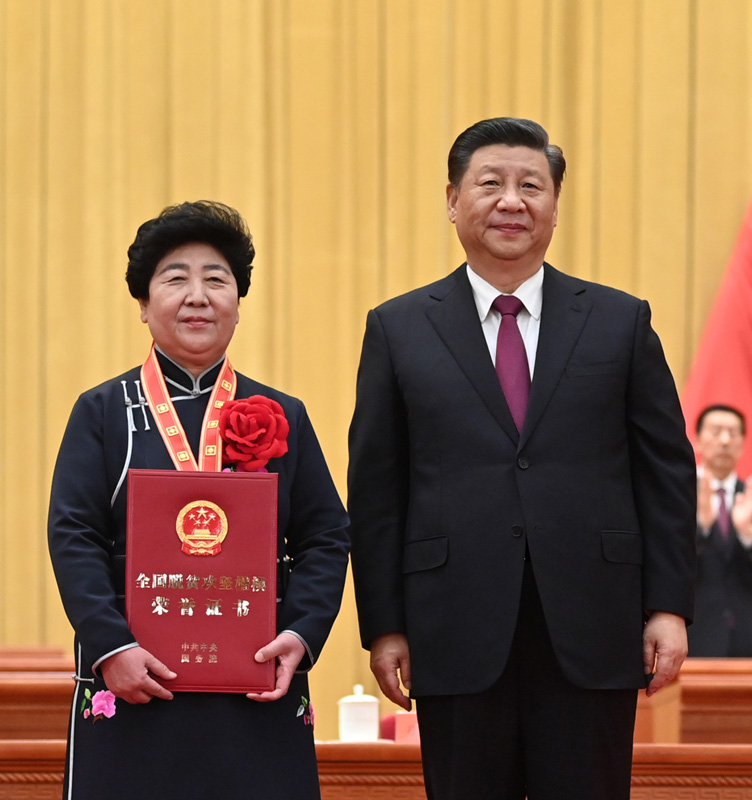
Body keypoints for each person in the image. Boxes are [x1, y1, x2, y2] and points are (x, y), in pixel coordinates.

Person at [347, 118, 696, 800]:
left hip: (594, 623)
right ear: (454, 201)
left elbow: (665, 473)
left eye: (532, 186)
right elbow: (377, 488)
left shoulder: (620, 321)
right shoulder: (398, 328)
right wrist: (384, 625)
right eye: (491, 184)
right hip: (452, 625)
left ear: (555, 206)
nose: (512, 201)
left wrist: (668, 607)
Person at [48, 201, 350, 799]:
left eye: (216, 279)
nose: (197, 296)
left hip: (255, 685)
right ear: (143, 303)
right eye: (175, 279)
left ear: (238, 301)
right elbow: (74, 535)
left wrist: (300, 634)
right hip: (132, 681)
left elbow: (325, 536)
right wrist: (111, 646)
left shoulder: (281, 414)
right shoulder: (102, 412)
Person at [690, 403, 752, 656]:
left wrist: (747, 538)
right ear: (697, 440)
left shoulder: (749, 497)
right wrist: (701, 530)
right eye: (716, 431)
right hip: (694, 637)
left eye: (733, 433)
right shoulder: (678, 495)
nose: (725, 440)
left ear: (743, 443)